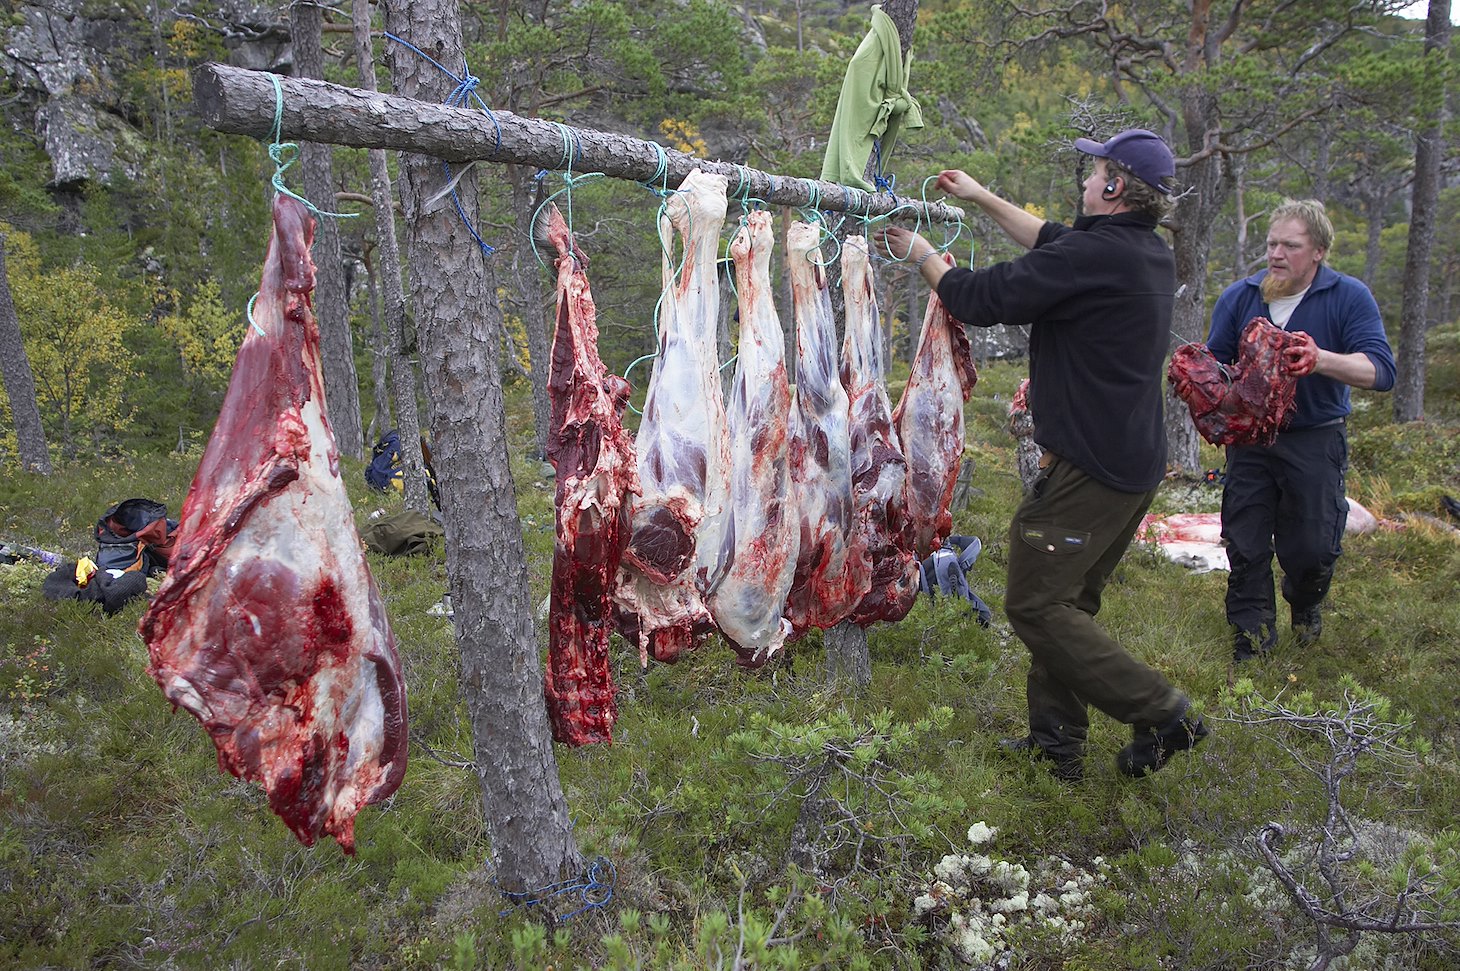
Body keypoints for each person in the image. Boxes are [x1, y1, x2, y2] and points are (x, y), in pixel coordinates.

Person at [874, 128, 1205, 780]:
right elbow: (1053, 237)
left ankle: (1160, 710)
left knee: (1034, 603)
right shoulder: (1141, 250)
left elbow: (979, 297)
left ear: (1113, 187)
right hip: (1130, 465)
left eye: (1094, 170)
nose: (1085, 179)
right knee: (1067, 603)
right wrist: (981, 196)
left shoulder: (1097, 255)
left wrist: (922, 254)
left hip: (1091, 467)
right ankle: (1058, 748)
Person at [1205, 199, 1395, 661]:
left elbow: (1381, 371)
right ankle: (1252, 644)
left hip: (1315, 437)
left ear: (1319, 252)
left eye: (1291, 245)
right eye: (1272, 243)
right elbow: (1216, 365)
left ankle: (1305, 600)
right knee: (1245, 542)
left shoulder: (1348, 296)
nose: (1276, 253)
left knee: (1310, 548)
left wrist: (1320, 359)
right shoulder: (1240, 295)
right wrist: (1201, 378)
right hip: (1249, 441)